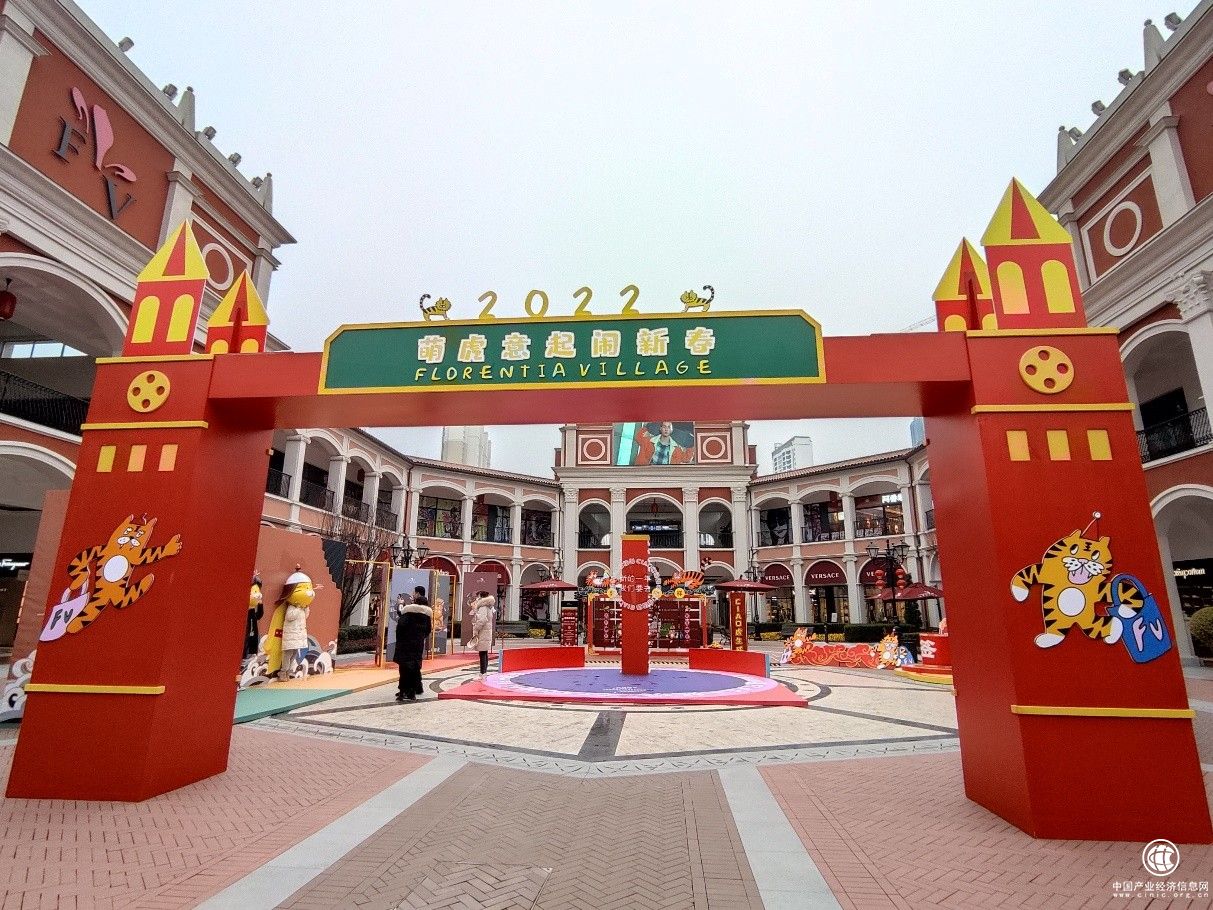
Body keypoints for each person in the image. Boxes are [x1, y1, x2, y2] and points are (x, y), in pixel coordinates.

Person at [394, 585, 432, 702]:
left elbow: (400, 626)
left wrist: (401, 639)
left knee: (404, 667)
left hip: (405, 644)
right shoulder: (426, 615)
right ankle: (412, 692)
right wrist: (420, 637)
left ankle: (403, 691)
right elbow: (428, 630)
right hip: (417, 644)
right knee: (415, 667)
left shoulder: (408, 612)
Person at [278, 570, 315, 681]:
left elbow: (305, 616)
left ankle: (289, 671)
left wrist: (306, 607)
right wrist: (299, 608)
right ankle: (283, 672)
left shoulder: (301, 608)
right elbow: (290, 617)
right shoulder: (292, 607)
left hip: (298, 635)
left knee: (294, 653)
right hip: (291, 635)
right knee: (288, 653)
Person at [469, 590, 496, 675]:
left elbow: (482, 619)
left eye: (477, 596)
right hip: (486, 631)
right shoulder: (488, 606)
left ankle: (483, 673)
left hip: (482, 632)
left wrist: (476, 629)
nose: (476, 598)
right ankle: (484, 672)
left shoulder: (483, 607)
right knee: (484, 652)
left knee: (482, 653)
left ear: (480, 597)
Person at [244, 573, 263, 659]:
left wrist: (260, 604)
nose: (258, 594)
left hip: (252, 638)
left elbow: (259, 615)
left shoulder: (252, 611)